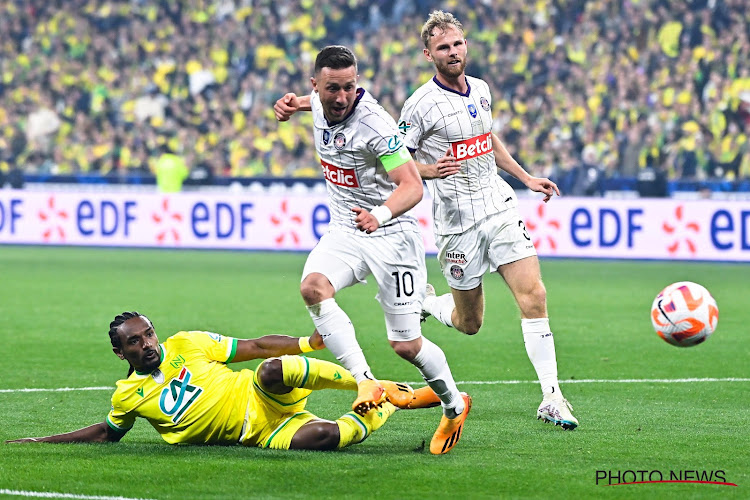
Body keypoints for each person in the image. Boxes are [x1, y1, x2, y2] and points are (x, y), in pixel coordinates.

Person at [273, 45, 471, 454]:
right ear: (316, 85)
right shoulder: (317, 102)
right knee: (312, 288)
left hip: (391, 235)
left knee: (405, 345)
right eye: (332, 89)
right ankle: (365, 379)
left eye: (350, 87)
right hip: (345, 230)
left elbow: (413, 185)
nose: (342, 97)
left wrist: (379, 215)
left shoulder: (377, 125)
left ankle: (454, 405)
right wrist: (294, 106)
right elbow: (312, 103)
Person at [397, 11, 577, 429]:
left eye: (457, 44)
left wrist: (526, 176)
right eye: (443, 47)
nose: (453, 52)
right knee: (469, 323)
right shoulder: (419, 104)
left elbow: (487, 137)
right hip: (457, 222)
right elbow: (396, 157)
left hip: (499, 206)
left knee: (534, 296)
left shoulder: (480, 89)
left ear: (466, 45)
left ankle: (551, 396)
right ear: (429, 54)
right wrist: (428, 170)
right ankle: (426, 301)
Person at [6, 311, 442, 450]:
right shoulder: (128, 396)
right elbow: (106, 432)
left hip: (261, 391)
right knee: (326, 436)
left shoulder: (187, 343)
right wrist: (42, 443)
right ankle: (383, 402)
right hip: (258, 433)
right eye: (135, 342)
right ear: (121, 353)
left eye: (149, 334)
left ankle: (366, 384)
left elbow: (252, 347)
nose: (148, 344)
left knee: (272, 368)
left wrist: (307, 342)